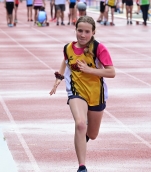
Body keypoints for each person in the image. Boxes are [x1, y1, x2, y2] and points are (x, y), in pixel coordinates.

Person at [49, 15, 115, 172]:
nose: (83, 35)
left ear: (93, 32)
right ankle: (82, 167)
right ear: (75, 30)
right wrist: (59, 78)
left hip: (96, 94)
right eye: (79, 31)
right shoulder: (68, 48)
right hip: (76, 91)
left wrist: (89, 70)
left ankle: (83, 137)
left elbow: (112, 72)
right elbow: (65, 61)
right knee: (80, 124)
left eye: (87, 32)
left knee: (92, 135)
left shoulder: (99, 48)